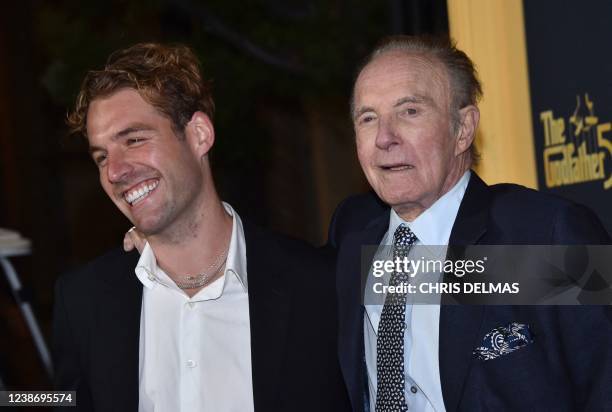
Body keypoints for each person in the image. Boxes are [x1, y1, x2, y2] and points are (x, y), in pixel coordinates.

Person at [53, 43, 349, 412]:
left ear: (198, 135)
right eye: (101, 156)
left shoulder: (320, 285)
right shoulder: (84, 303)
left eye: (134, 140)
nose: (114, 171)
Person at [327, 35, 612, 411]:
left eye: (410, 111)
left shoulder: (543, 236)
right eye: (368, 118)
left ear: (462, 128)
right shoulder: (351, 235)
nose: (384, 137)